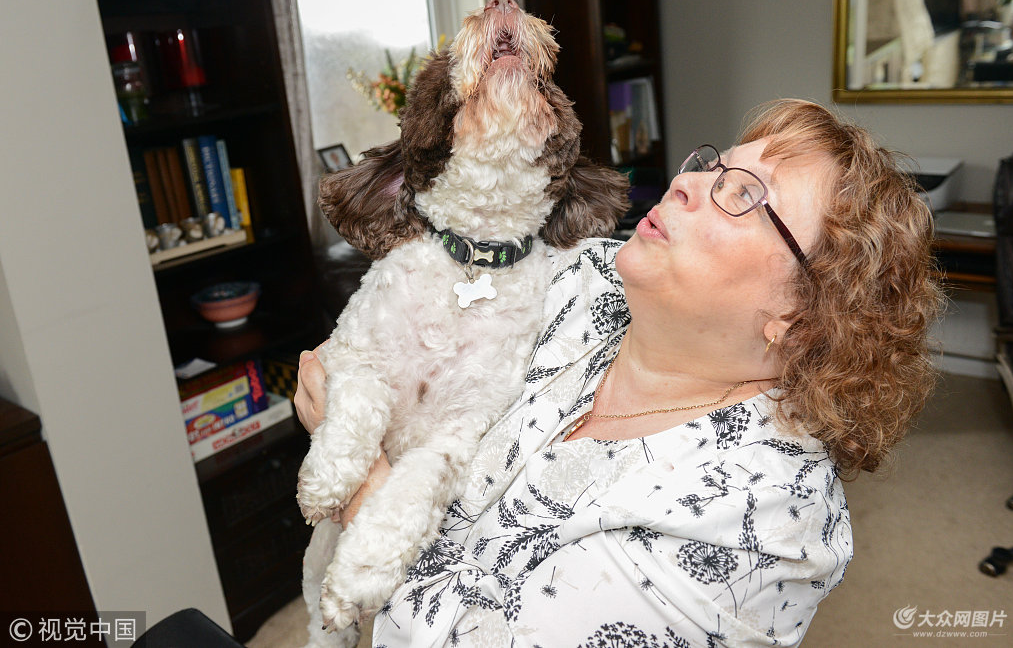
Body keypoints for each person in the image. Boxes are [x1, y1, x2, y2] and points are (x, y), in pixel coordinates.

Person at [293, 99, 941, 647]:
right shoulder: (594, 273)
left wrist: (361, 489)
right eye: (715, 165)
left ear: (801, 316)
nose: (687, 182)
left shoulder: (768, 521)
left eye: (744, 195)